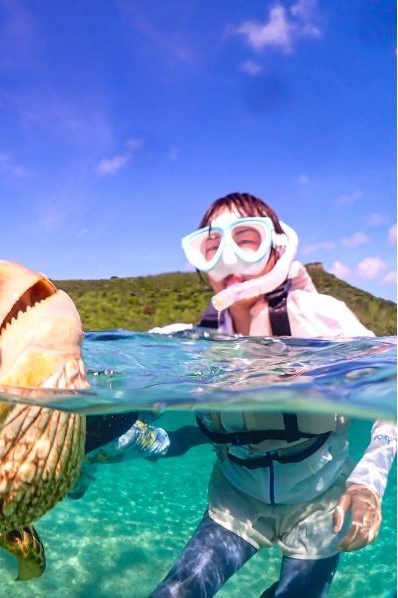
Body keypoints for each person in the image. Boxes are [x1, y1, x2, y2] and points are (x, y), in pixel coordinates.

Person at [150, 192, 396, 598]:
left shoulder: (320, 319)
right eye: (212, 246)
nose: (228, 259)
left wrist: (369, 484)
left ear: (278, 249)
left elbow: (393, 393)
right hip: (236, 500)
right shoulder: (198, 341)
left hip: (320, 503)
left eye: (246, 239)